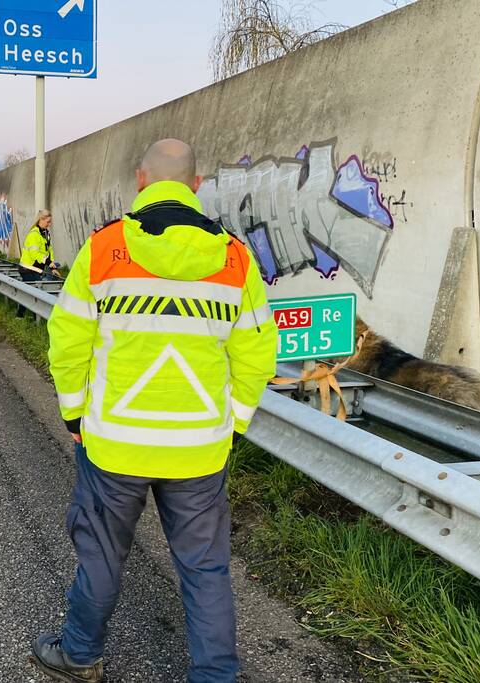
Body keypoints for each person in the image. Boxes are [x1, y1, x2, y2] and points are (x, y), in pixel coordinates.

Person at [33, 139, 279, 683]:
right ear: (196, 185)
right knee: (205, 568)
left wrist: (74, 415)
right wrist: (232, 424)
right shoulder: (237, 260)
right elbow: (258, 355)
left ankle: (79, 657)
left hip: (115, 443)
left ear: (142, 180)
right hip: (199, 449)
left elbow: (67, 343)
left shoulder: (104, 249)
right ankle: (215, 676)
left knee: (101, 555)